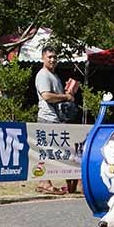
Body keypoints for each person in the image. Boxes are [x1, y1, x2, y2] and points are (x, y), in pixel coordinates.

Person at [34, 45, 79, 195]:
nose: (53, 60)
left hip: (57, 119)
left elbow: (57, 97)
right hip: (47, 119)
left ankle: (46, 182)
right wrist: (66, 96)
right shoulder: (43, 75)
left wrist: (68, 91)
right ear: (43, 58)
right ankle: (44, 183)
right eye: (49, 57)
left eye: (54, 57)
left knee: (55, 152)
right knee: (46, 152)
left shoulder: (54, 76)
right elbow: (46, 96)